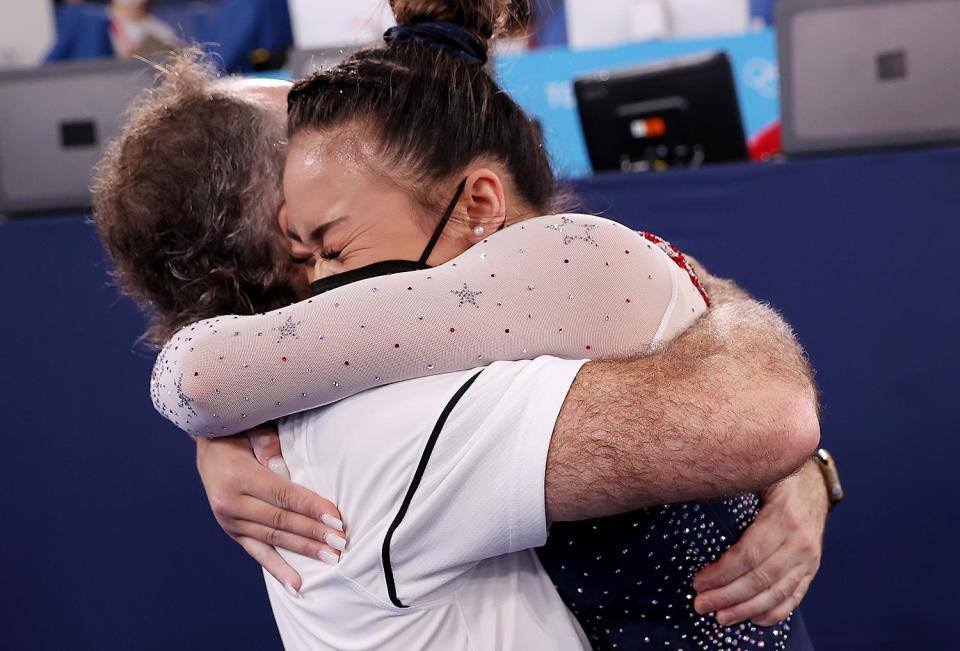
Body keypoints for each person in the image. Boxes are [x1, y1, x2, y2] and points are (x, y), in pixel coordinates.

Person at [93, 26, 826, 651]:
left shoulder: (331, 384)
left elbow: (672, 302)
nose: (342, 132)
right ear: (292, 239)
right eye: (311, 150)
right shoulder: (383, 423)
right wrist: (788, 455)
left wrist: (802, 467)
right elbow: (756, 410)